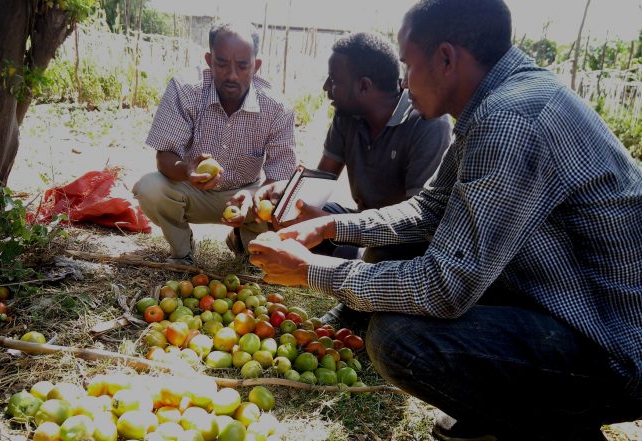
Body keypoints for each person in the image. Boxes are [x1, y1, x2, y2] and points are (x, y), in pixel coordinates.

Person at [248, 0, 642, 439]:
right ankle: (509, 408)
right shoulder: (499, 102)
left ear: (446, 58)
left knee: (399, 339)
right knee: (401, 273)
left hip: (614, 347)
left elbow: (445, 287)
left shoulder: (511, 120)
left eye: (407, 65)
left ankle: (556, 424)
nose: (402, 82)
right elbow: (430, 208)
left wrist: (312, 270)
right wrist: (331, 226)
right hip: (569, 304)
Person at [257, 32, 450, 324]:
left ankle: (357, 295)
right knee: (291, 213)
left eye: (333, 80)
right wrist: (283, 193)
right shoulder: (348, 116)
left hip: (401, 240)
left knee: (379, 250)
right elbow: (322, 177)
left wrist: (327, 226)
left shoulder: (426, 123)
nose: (326, 87)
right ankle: (356, 261)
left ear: (363, 86)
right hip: (361, 223)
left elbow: (419, 222)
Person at [133, 21, 296, 265]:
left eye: (242, 66)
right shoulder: (186, 89)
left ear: (256, 66)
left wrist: (251, 197)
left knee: (283, 202)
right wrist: (187, 170)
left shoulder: (277, 107)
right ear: (209, 60)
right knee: (150, 187)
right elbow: (164, 157)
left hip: (247, 196)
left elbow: (280, 180)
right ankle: (182, 250)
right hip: (192, 190)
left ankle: (242, 239)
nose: (232, 75)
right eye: (222, 64)